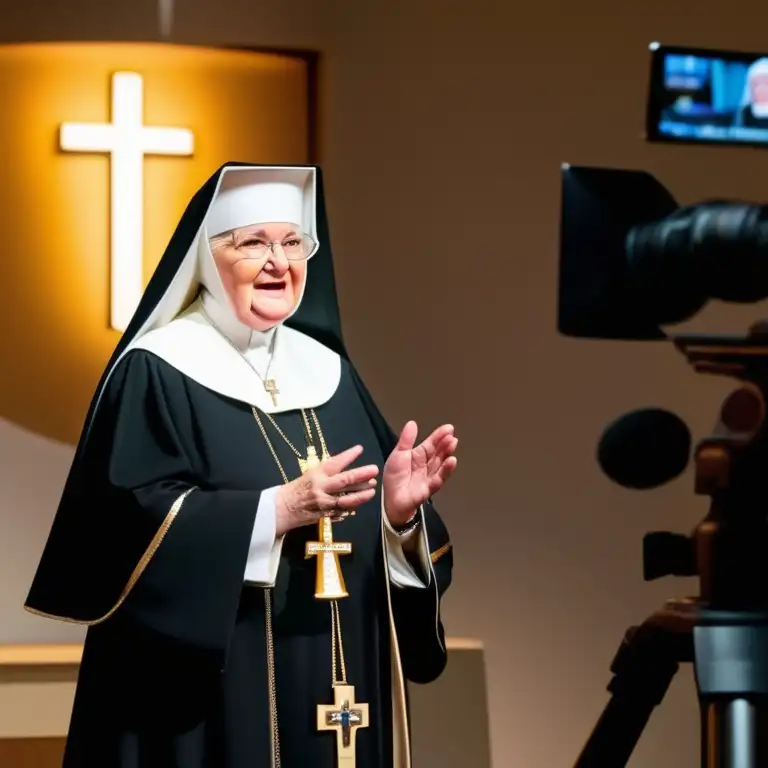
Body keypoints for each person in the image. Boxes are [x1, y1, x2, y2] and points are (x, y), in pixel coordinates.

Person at [24, 163, 457, 768]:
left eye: (292, 242)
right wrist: (276, 511)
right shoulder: (158, 369)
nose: (279, 262)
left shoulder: (330, 372)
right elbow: (125, 526)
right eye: (253, 243)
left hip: (343, 683)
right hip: (216, 701)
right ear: (207, 257)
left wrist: (396, 518)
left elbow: (384, 537)